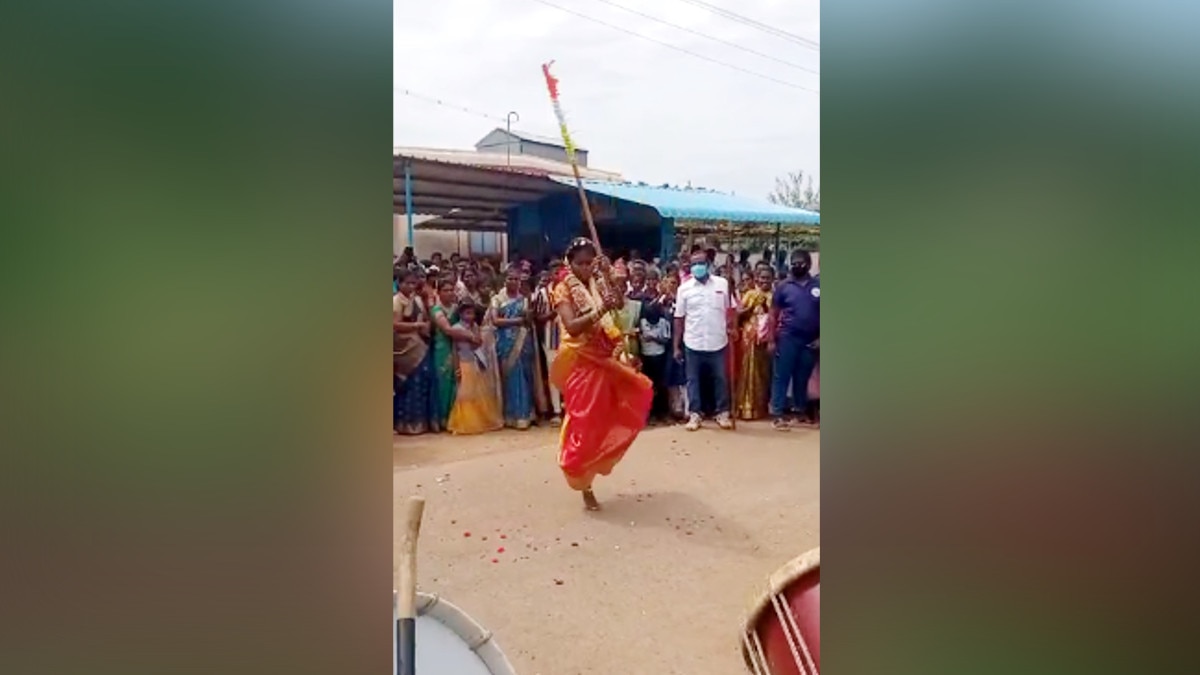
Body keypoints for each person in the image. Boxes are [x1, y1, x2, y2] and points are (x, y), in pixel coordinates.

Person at [550, 238, 653, 510]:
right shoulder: (562, 289)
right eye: (580, 263)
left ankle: (593, 471)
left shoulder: (598, 281)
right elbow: (572, 326)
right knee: (584, 425)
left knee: (618, 410)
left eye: (589, 263)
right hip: (582, 362)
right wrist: (600, 310)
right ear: (570, 264)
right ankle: (583, 482)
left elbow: (618, 304)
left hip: (606, 357)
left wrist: (610, 276)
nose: (585, 268)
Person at [674, 250, 735, 431]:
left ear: (708, 264)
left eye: (700, 263)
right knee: (693, 380)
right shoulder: (684, 289)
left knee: (720, 379)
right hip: (693, 342)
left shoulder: (722, 284)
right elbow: (679, 318)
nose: (697, 267)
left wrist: (732, 326)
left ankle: (722, 412)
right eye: (694, 264)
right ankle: (695, 414)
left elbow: (731, 309)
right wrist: (676, 346)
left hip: (718, 341)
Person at [768, 250, 820, 430]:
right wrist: (771, 339)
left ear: (809, 264)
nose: (797, 266)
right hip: (787, 337)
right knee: (781, 375)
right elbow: (773, 314)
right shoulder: (783, 286)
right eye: (794, 263)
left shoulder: (818, 285)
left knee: (802, 376)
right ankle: (777, 413)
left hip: (811, 340)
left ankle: (800, 411)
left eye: (801, 263)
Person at [447, 302, 504, 435]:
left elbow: (478, 343)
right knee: (465, 393)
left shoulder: (475, 327)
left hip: (475, 361)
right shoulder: (456, 328)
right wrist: (456, 367)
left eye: (472, 313)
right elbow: (455, 350)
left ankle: (480, 420)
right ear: (460, 314)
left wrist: (474, 336)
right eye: (467, 313)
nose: (470, 316)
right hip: (463, 362)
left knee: (477, 392)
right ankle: (463, 423)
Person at [429, 278, 479, 429]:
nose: (449, 293)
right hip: (442, 348)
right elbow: (447, 330)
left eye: (451, 290)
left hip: (459, 349)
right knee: (443, 383)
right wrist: (469, 336)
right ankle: (441, 419)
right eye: (445, 290)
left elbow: (468, 322)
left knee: (455, 382)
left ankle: (454, 418)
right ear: (438, 292)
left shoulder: (456, 308)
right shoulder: (436, 310)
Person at [491, 267, 536, 430]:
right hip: (505, 342)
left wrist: (529, 304)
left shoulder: (524, 299)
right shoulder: (497, 299)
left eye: (516, 279)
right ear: (504, 281)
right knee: (511, 377)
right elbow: (495, 321)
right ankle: (511, 415)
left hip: (523, 341)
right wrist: (517, 321)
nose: (513, 282)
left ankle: (524, 415)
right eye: (510, 279)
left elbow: (529, 321)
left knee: (524, 376)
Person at [393, 270, 436, 434]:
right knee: (408, 384)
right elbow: (394, 325)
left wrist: (424, 326)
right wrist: (416, 326)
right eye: (407, 283)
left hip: (419, 342)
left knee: (422, 381)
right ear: (399, 283)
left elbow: (425, 318)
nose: (411, 286)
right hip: (404, 347)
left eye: (413, 283)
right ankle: (406, 424)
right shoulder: (396, 301)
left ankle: (421, 422)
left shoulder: (417, 299)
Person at [734, 268, 775, 420]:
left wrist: (767, 308)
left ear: (772, 279)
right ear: (757, 279)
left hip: (766, 340)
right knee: (748, 371)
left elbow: (778, 316)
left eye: (768, 278)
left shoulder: (775, 296)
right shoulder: (750, 294)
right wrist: (750, 308)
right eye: (762, 278)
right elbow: (738, 314)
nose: (764, 281)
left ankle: (761, 407)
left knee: (764, 373)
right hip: (749, 338)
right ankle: (745, 406)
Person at [532, 265, 563, 423]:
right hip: (550, 340)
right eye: (556, 273)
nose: (559, 275)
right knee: (553, 375)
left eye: (561, 272)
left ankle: (570, 408)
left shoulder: (570, 291)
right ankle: (557, 410)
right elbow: (537, 317)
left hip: (569, 340)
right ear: (550, 275)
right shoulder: (543, 294)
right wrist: (551, 315)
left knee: (570, 375)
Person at [639, 299, 672, 424]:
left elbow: (666, 340)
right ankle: (650, 414)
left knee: (661, 386)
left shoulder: (663, 322)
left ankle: (663, 413)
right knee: (649, 386)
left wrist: (654, 338)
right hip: (646, 356)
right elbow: (638, 335)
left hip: (659, 357)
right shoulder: (642, 322)